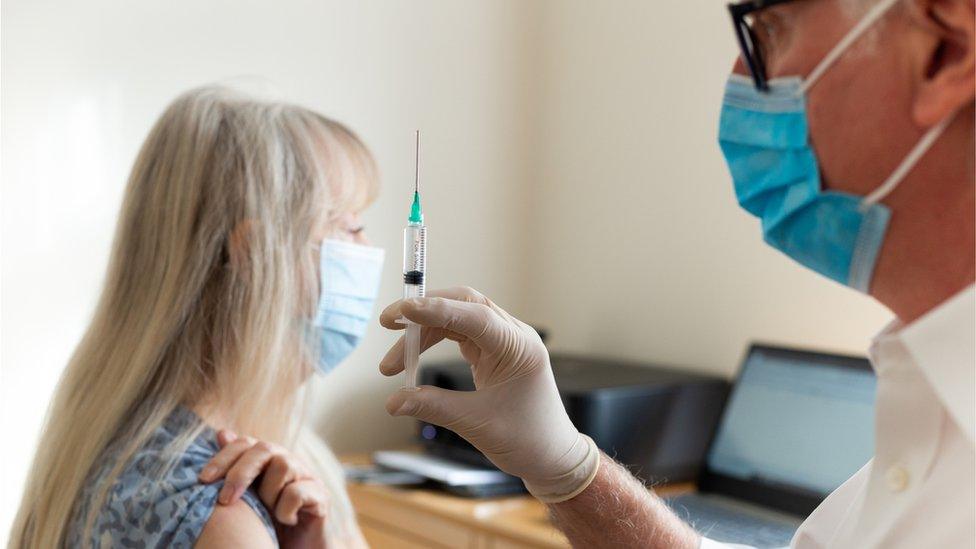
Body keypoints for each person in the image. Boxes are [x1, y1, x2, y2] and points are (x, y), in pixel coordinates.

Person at [378, 0, 974, 547]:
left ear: (946, 51)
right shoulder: (930, 414)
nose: (740, 75)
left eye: (768, 28)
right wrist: (567, 468)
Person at [9, 86, 385, 548]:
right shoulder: (220, 507)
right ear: (253, 254)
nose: (366, 252)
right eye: (349, 226)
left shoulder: (118, 445)